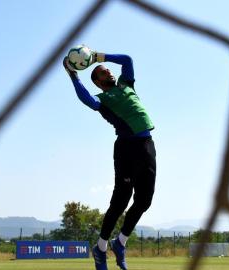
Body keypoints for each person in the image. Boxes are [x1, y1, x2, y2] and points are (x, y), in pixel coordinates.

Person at [63, 49, 156, 270]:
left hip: (147, 145)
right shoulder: (103, 100)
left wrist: (97, 56)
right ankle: (101, 247)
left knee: (144, 201)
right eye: (104, 73)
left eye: (108, 71)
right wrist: (73, 75)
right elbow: (86, 99)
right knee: (121, 201)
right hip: (126, 148)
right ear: (97, 82)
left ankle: (120, 243)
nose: (109, 74)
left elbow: (128, 59)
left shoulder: (127, 85)